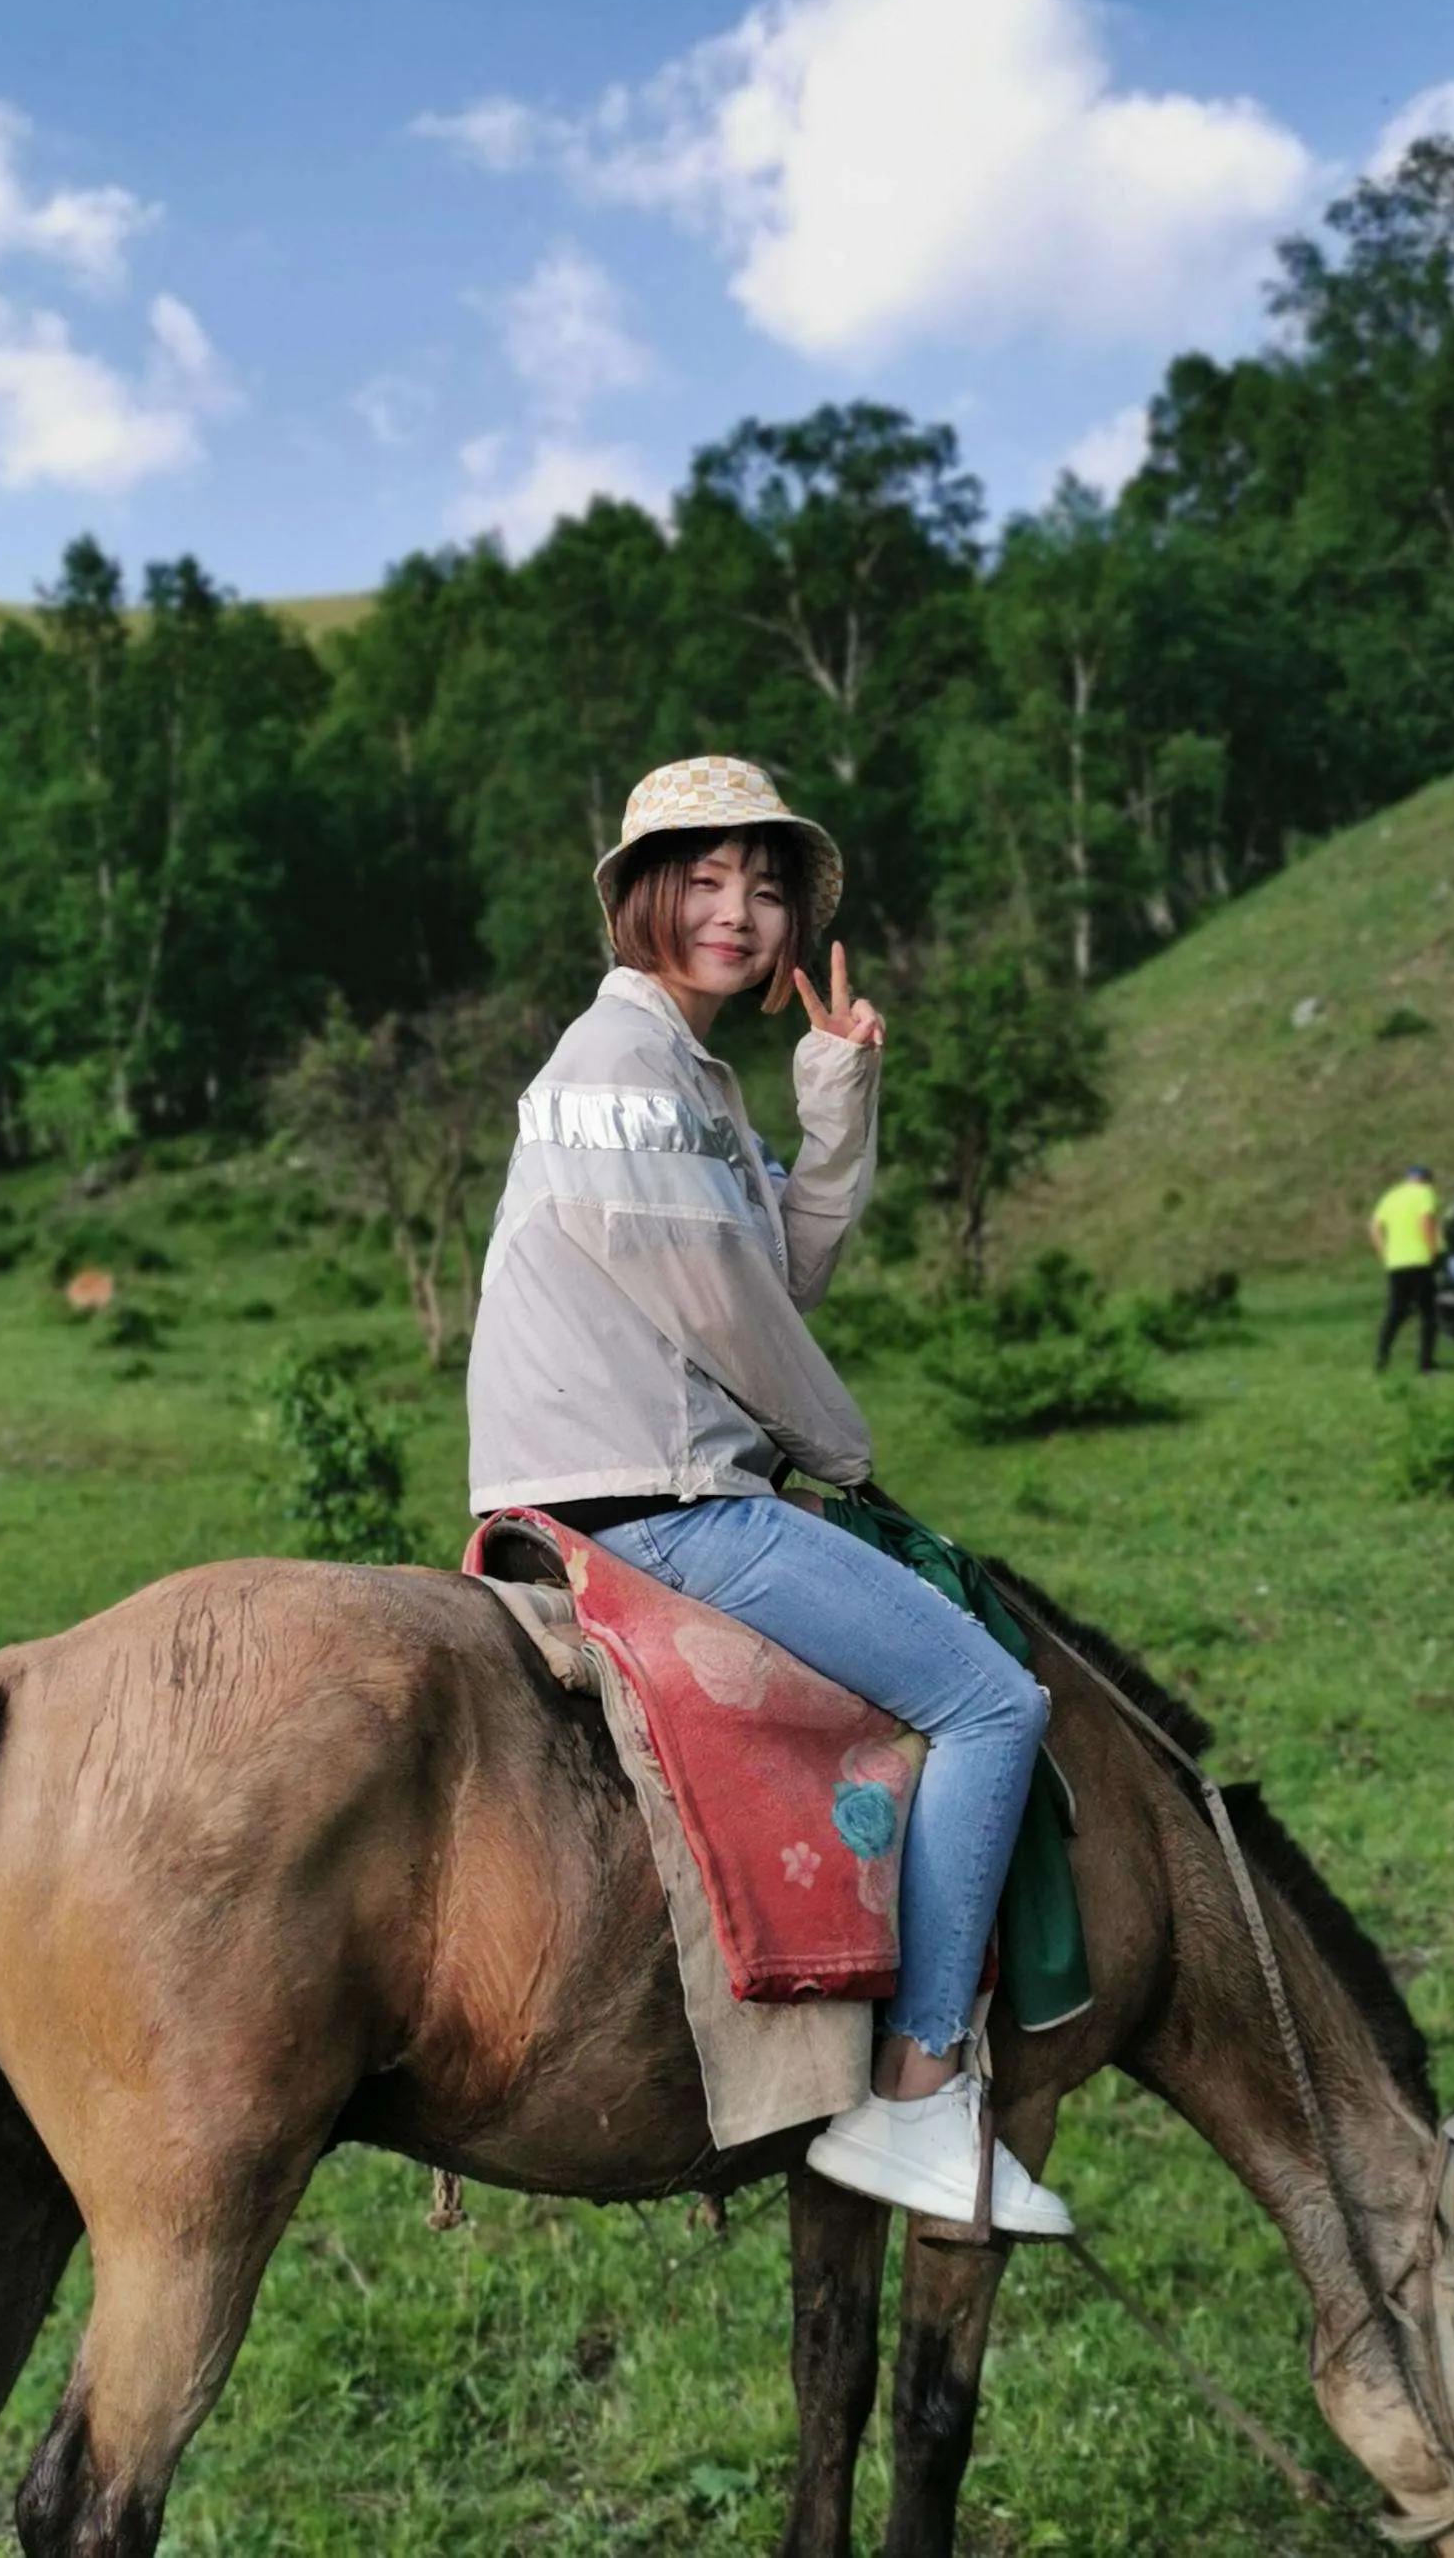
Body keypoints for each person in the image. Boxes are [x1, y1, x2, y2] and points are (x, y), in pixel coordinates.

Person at [466, 755, 1071, 2234]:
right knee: (995, 1704)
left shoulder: (690, 1080)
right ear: (641, 898)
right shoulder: (619, 1068)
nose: (737, 910)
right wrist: (842, 1449)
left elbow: (778, 1274)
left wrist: (835, 1104)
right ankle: (919, 2092)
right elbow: (734, 1319)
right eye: (704, 878)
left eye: (765, 884)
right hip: (658, 1488)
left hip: (651, 1468)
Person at [1370, 1161, 1443, 1373]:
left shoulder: (1391, 1196)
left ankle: (1381, 1358)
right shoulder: (1425, 1193)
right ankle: (1426, 1363)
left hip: (1396, 1263)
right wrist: (1433, 1251)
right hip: (1420, 1260)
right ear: (1427, 1179)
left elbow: (1374, 1226)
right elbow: (1426, 1221)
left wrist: (1384, 1252)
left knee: (1395, 1312)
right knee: (1429, 1313)